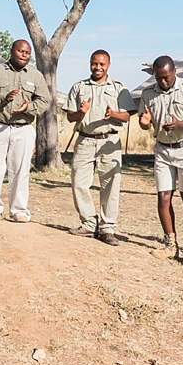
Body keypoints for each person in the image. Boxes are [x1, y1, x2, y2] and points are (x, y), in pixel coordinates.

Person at [139, 55, 183, 266]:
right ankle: (170, 244)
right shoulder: (147, 93)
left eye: (167, 77)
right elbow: (145, 121)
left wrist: (181, 124)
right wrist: (144, 123)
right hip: (162, 150)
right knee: (163, 197)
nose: (163, 82)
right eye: (159, 78)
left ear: (175, 71)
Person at [64, 50, 137, 245]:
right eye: (94, 64)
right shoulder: (79, 87)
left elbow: (128, 116)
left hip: (109, 142)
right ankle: (88, 224)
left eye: (102, 64)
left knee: (110, 185)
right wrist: (80, 112)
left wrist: (113, 114)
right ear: (90, 64)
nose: (98, 67)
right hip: (85, 140)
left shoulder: (118, 88)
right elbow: (70, 117)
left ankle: (107, 228)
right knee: (79, 182)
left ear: (109, 65)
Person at [0, 39, 50, 223]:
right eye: (20, 51)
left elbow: (44, 101)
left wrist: (28, 107)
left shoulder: (36, 76)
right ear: (12, 51)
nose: (24, 55)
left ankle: (19, 210)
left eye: (27, 52)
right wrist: (3, 97)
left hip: (23, 129)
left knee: (20, 170)